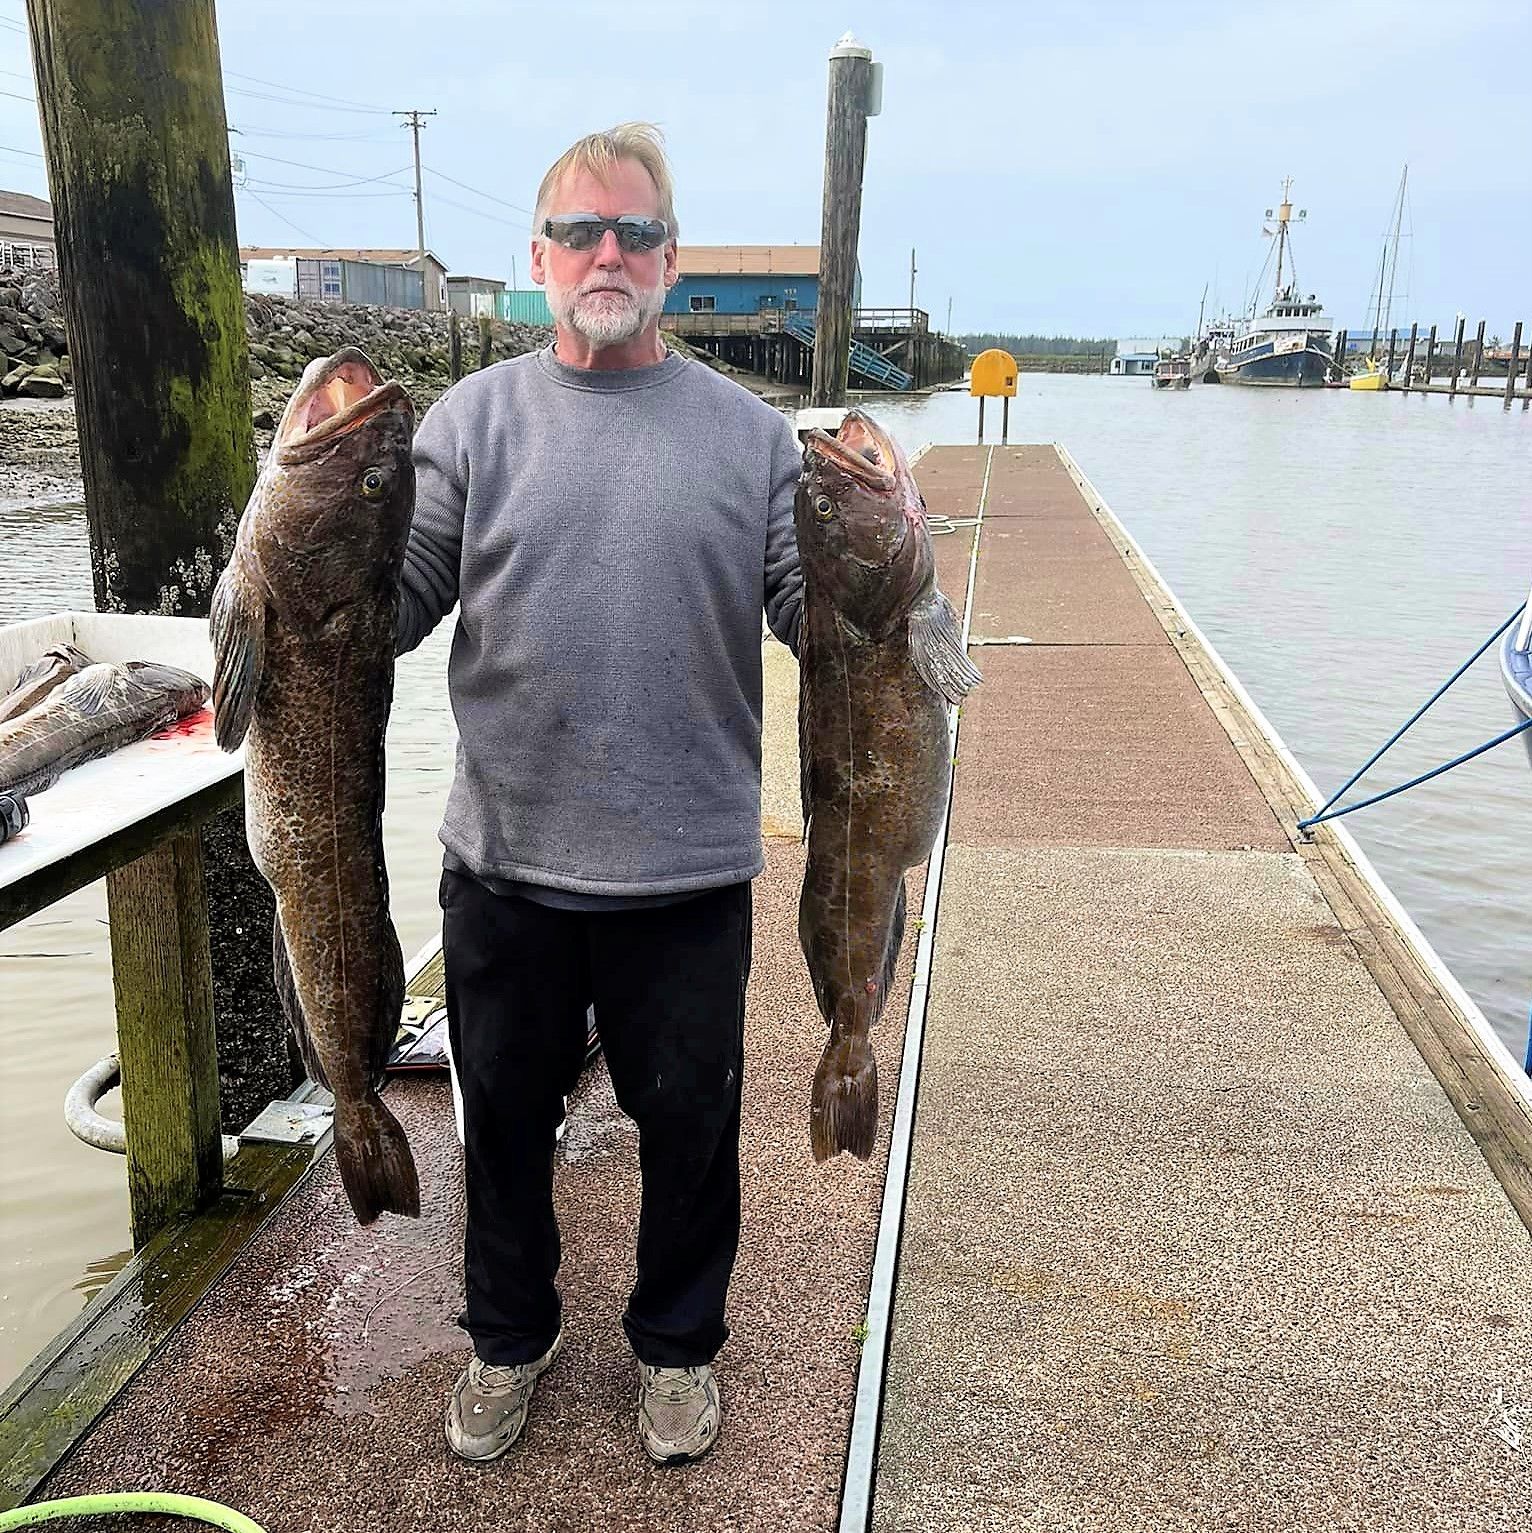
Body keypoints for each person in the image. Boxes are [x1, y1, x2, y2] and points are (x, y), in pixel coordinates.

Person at [394, 122, 803, 1467]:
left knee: (694, 1128)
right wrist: (271, 552)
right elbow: (390, 603)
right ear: (538, 258)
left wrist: (899, 569)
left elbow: (826, 608)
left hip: (686, 870)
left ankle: (679, 1346)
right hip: (505, 862)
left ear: (673, 259)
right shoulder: (471, 423)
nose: (607, 255)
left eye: (634, 232)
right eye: (582, 233)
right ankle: (509, 1333)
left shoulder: (753, 442)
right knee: (502, 1124)